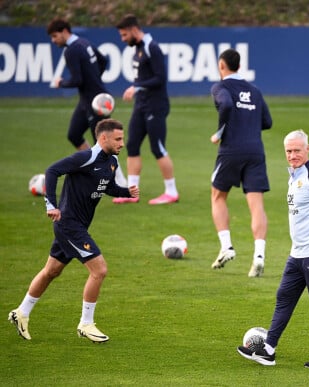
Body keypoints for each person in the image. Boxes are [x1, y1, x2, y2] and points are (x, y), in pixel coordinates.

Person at [8, 118, 139, 342]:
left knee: (51, 271)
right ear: (103, 137)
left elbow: (106, 186)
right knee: (99, 270)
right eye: (118, 139)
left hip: (76, 226)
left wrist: (127, 192)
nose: (122, 143)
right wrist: (51, 204)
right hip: (70, 225)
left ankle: (21, 312)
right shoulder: (86, 157)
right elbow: (52, 171)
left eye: (122, 138)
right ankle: (86, 324)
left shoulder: (112, 161)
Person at [237, 129, 309, 368]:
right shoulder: (294, 175)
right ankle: (268, 349)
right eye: (288, 151)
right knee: (284, 297)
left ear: (307, 149)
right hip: (297, 253)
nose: (293, 155)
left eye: (297, 150)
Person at [209, 48, 272, 277]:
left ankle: (227, 246)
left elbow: (225, 105)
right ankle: (259, 256)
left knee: (218, 196)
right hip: (256, 151)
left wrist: (219, 132)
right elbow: (267, 121)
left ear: (222, 65)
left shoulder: (220, 87)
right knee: (256, 205)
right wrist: (249, 122)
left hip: (231, 150)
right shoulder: (254, 90)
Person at [46, 18, 127, 186]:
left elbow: (77, 80)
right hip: (89, 99)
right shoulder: (83, 42)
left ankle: (121, 181)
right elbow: (103, 60)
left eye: (55, 36)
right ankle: (93, 169)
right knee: (74, 135)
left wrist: (60, 83)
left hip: (96, 102)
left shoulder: (71, 51)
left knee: (105, 142)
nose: (54, 41)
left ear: (64, 31)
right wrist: (95, 77)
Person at [113, 14, 179, 205]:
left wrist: (137, 87)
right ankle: (132, 193)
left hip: (156, 106)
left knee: (157, 148)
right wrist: (138, 89)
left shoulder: (152, 48)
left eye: (124, 35)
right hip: (141, 105)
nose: (123, 39)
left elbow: (160, 78)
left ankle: (171, 192)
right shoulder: (139, 48)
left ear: (134, 30)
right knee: (132, 145)